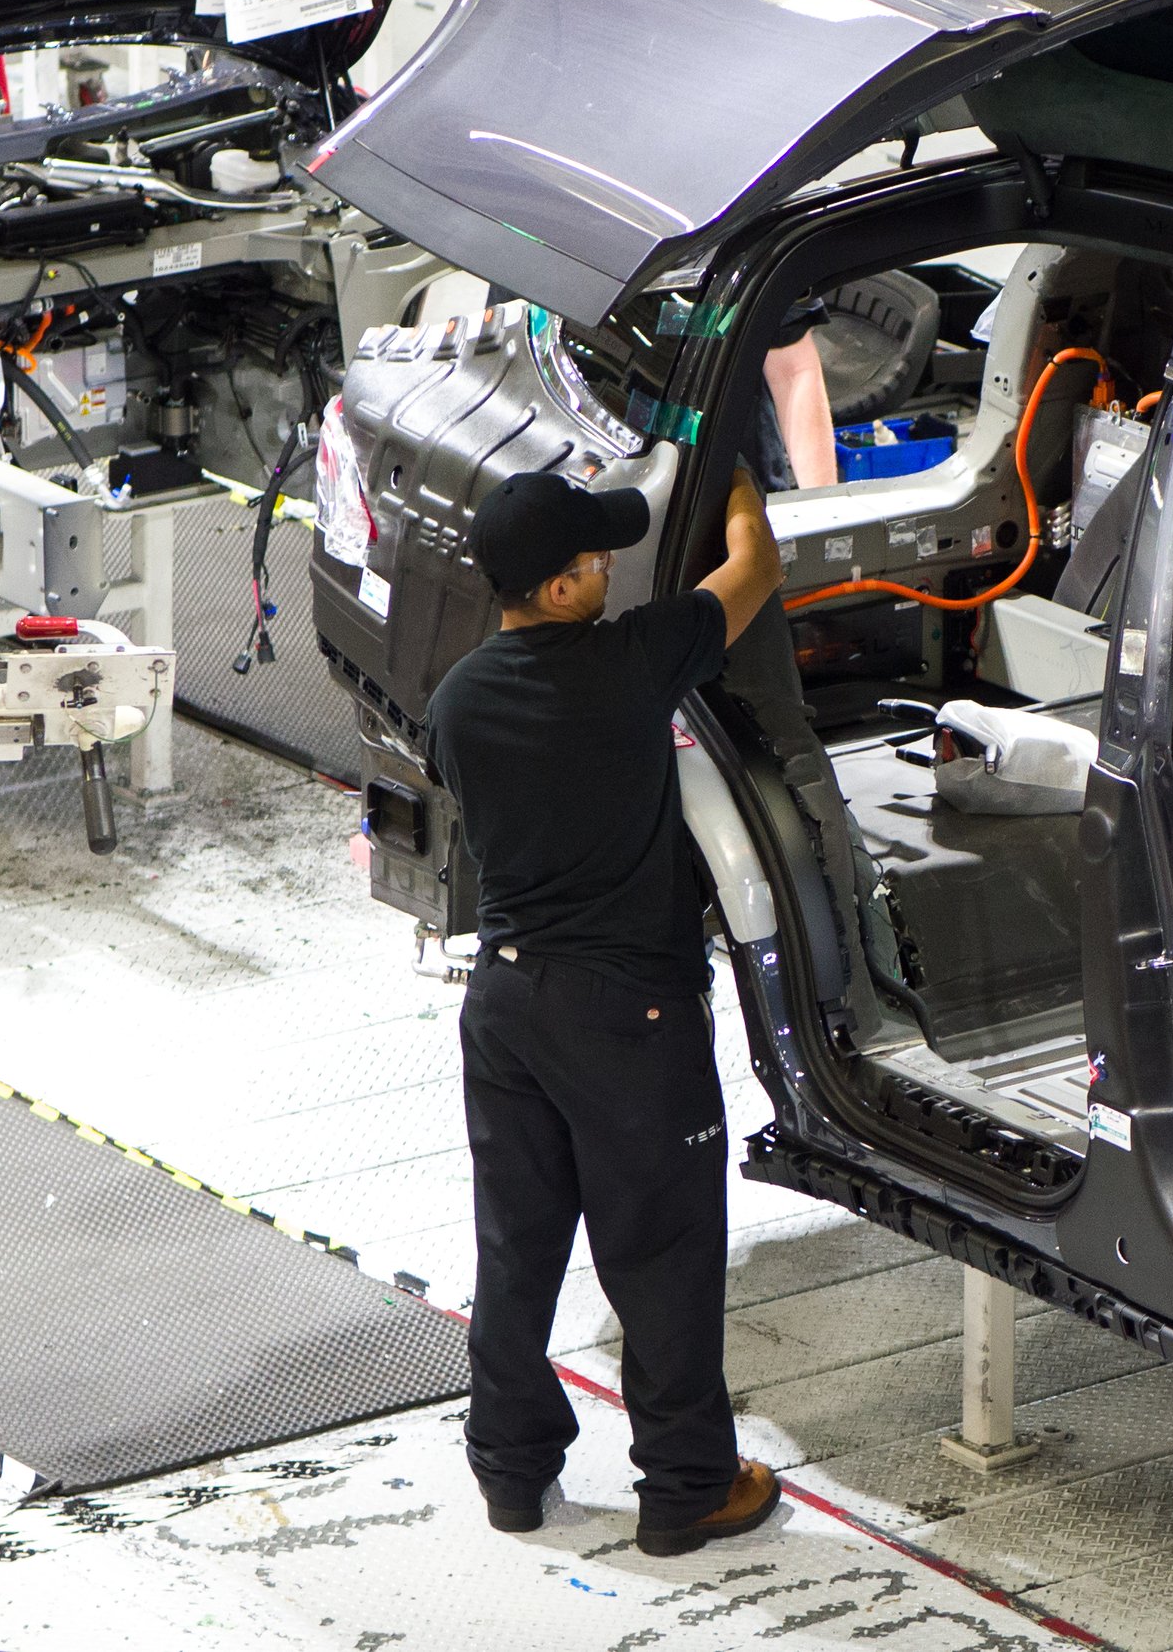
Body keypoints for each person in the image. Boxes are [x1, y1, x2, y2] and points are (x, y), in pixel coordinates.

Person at [425, 463, 785, 1555]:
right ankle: (685, 1488)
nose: (611, 565)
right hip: (629, 1016)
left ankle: (511, 1469)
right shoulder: (632, 664)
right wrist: (735, 479)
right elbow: (756, 567)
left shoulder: (455, 701)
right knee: (662, 1250)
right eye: (596, 557)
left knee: (517, 1246)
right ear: (564, 585)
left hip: (505, 1002)